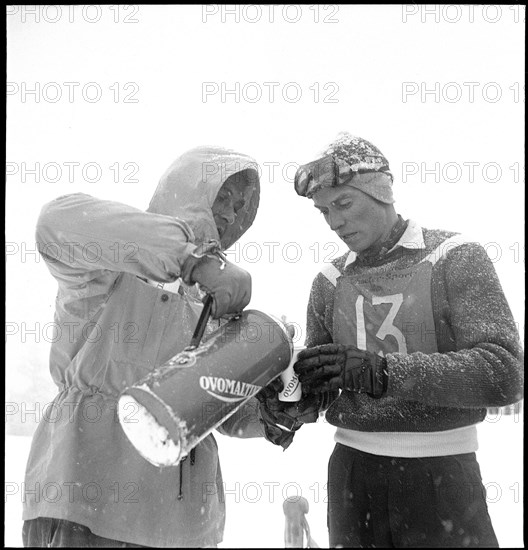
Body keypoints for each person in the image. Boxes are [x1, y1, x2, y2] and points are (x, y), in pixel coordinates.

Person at [22, 145, 278, 547]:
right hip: (85, 494)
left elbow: (220, 408)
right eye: (221, 195)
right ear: (186, 190)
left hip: (181, 523)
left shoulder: (219, 306)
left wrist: (275, 413)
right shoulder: (105, 269)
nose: (229, 212)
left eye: (240, 204)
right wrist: (191, 258)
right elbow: (53, 224)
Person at [290, 132, 524, 548]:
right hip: (350, 476)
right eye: (323, 211)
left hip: (443, 475)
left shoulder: (454, 256)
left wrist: (381, 372)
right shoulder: (328, 282)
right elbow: (327, 383)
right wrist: (297, 397)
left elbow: (504, 373)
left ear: (381, 191)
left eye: (344, 203)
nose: (334, 222)